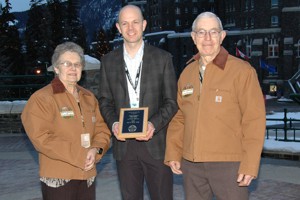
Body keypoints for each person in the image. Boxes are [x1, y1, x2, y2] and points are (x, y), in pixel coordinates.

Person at [164, 12, 266, 200]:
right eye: (201, 32)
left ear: (222, 36)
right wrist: (173, 152)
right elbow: (180, 117)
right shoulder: (187, 73)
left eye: (213, 32)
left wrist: (250, 164)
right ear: (194, 37)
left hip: (229, 165)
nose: (208, 38)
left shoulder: (242, 71)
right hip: (192, 165)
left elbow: (254, 120)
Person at [98, 5, 178, 200]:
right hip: (124, 147)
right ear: (118, 27)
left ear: (144, 25)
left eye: (135, 22)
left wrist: (153, 124)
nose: (130, 28)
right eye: (125, 23)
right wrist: (114, 123)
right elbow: (104, 101)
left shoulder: (163, 58)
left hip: (156, 143)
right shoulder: (108, 61)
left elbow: (171, 102)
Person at [21, 41, 111, 200]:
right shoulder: (42, 98)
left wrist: (96, 149)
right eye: (67, 63)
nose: (73, 68)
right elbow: (42, 138)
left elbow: (102, 129)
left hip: (87, 175)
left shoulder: (89, 97)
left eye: (77, 64)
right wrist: (81, 155)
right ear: (56, 68)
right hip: (59, 177)